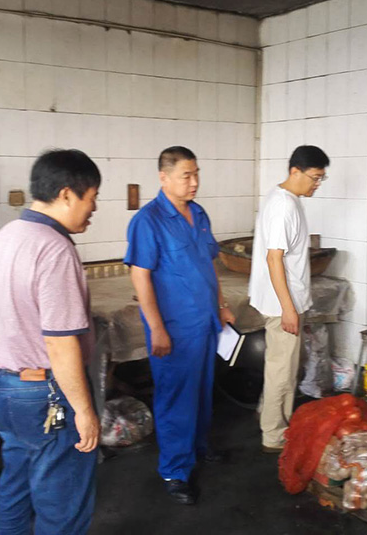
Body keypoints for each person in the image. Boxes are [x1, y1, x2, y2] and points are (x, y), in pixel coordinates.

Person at [0, 149, 101, 534]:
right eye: (92, 197)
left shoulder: (6, 237)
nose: (94, 208)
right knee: (61, 501)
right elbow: (60, 344)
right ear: (66, 194)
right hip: (45, 394)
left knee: (15, 486)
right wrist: (84, 410)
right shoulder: (54, 248)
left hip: (4, 387)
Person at [124, 146, 236, 505]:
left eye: (196, 173)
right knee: (176, 398)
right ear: (164, 177)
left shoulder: (199, 213)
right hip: (174, 328)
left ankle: (199, 447)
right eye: (186, 175)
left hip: (205, 322)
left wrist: (222, 306)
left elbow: (210, 265)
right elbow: (140, 276)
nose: (194, 182)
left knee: (202, 391)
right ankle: (175, 471)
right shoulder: (148, 221)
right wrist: (156, 328)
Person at [248, 145, 330, 453]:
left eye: (321, 178)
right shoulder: (284, 206)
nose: (317, 184)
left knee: (281, 366)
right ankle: (273, 434)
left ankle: (268, 414)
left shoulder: (285, 198)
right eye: (314, 177)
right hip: (282, 303)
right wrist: (288, 308)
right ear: (295, 171)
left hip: (284, 300)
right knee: (282, 371)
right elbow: (274, 259)